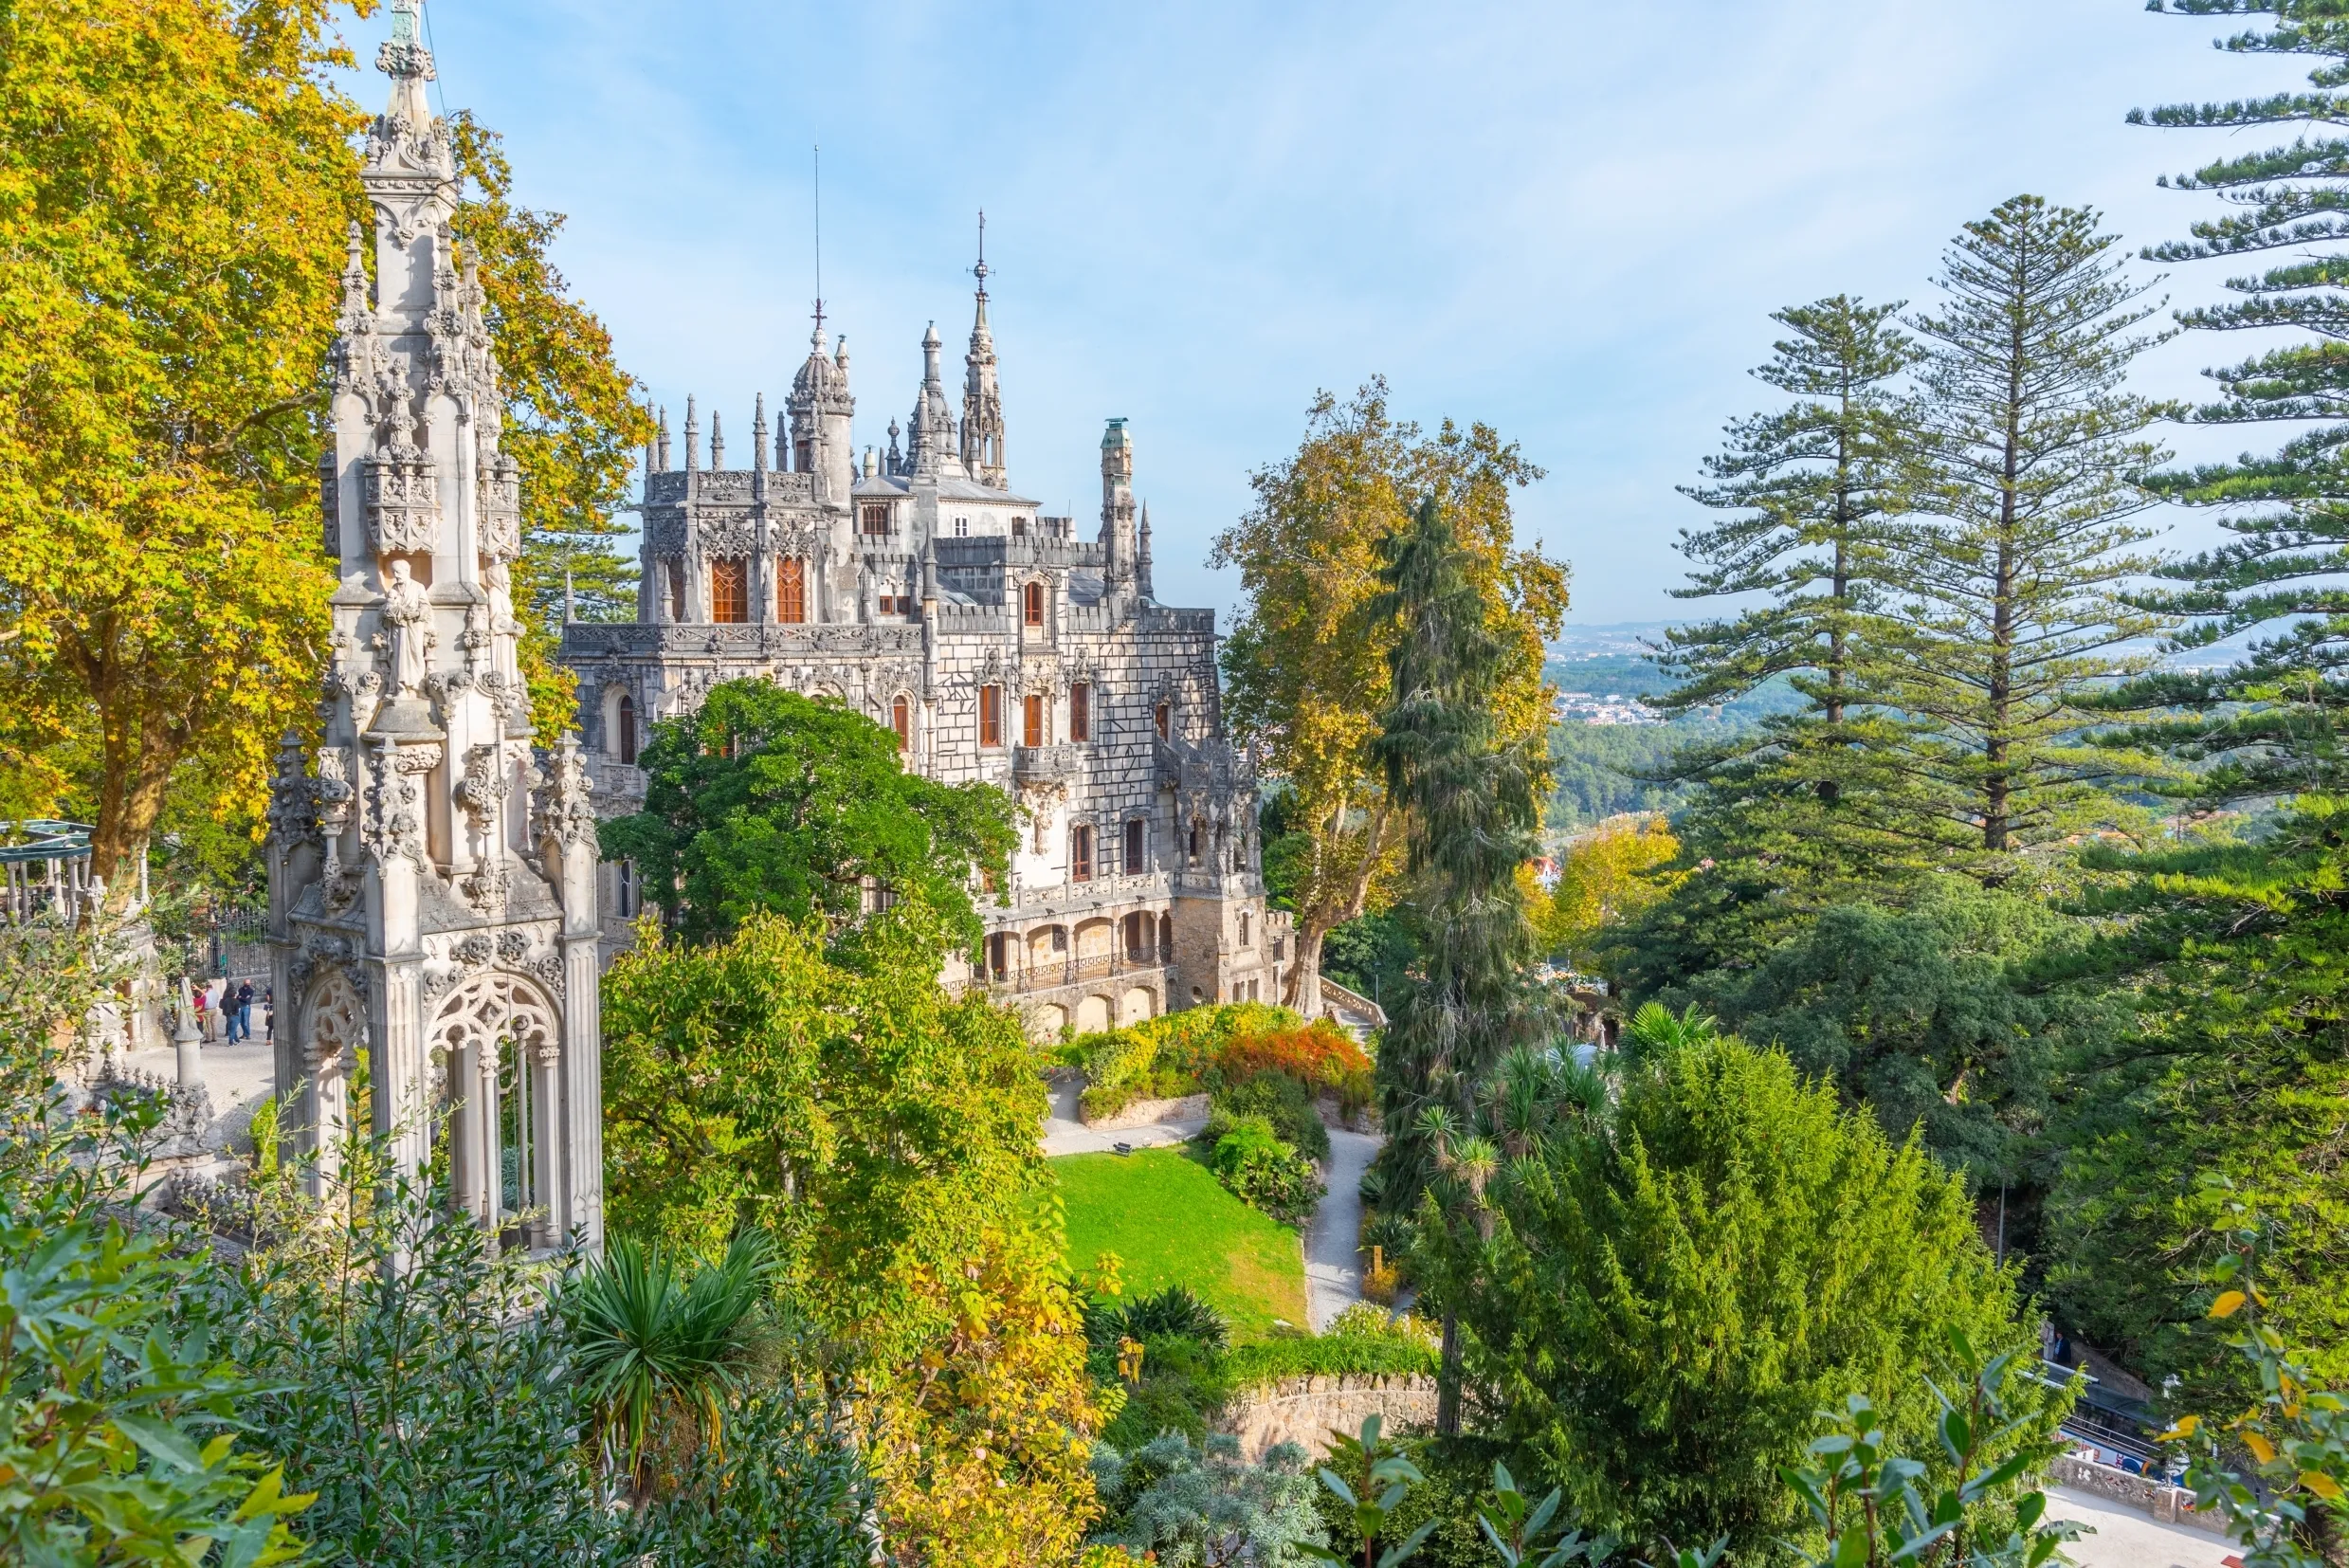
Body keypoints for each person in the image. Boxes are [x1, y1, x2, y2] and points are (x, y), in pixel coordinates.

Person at [230, 979, 254, 1044]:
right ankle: (245, 1033)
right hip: (241, 1006)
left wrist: (241, 998)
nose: (247, 984)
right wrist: (242, 998)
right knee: (241, 1021)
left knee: (246, 1022)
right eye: (246, 983)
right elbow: (238, 997)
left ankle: (247, 1034)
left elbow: (247, 1000)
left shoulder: (251, 991)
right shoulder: (240, 989)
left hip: (246, 1006)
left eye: (248, 983)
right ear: (244, 983)